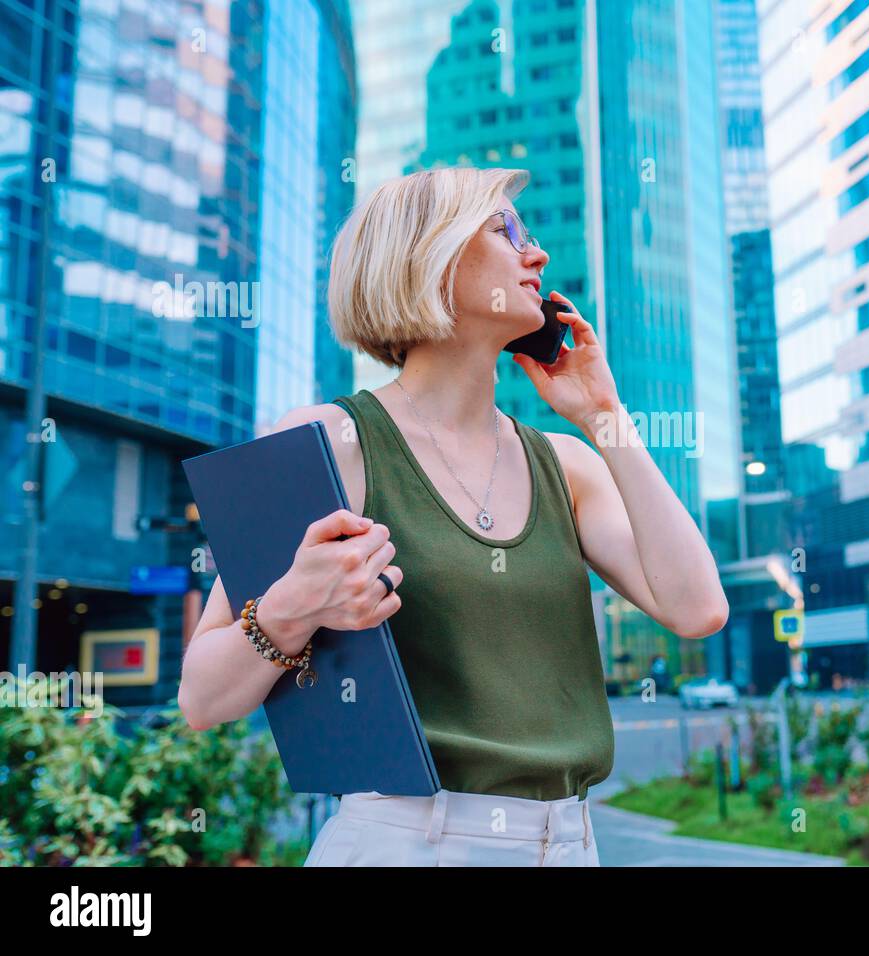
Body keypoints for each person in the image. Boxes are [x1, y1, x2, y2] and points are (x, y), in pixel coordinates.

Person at [177, 166, 729, 866]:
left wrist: (606, 416)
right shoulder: (329, 441)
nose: (538, 255)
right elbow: (200, 697)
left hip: (567, 845)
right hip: (407, 841)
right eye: (505, 231)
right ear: (427, 257)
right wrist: (293, 606)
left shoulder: (566, 462)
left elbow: (698, 608)